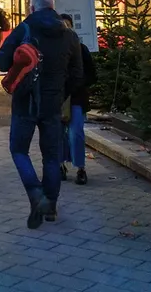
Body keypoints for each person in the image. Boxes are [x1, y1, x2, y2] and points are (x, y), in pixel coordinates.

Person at [0, 0, 83, 228]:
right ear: (53, 7)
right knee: (52, 156)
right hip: (53, 104)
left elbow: (1, 62)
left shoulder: (25, 28)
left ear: (32, 8)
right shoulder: (69, 34)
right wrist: (60, 94)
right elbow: (78, 75)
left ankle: (36, 193)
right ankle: (51, 206)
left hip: (25, 102)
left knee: (19, 150)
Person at [61, 18, 97, 185]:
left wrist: (79, 83)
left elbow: (92, 74)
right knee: (59, 134)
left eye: (68, 26)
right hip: (59, 98)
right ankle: (61, 164)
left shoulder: (81, 49)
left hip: (76, 97)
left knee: (76, 133)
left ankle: (80, 168)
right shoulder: (54, 50)